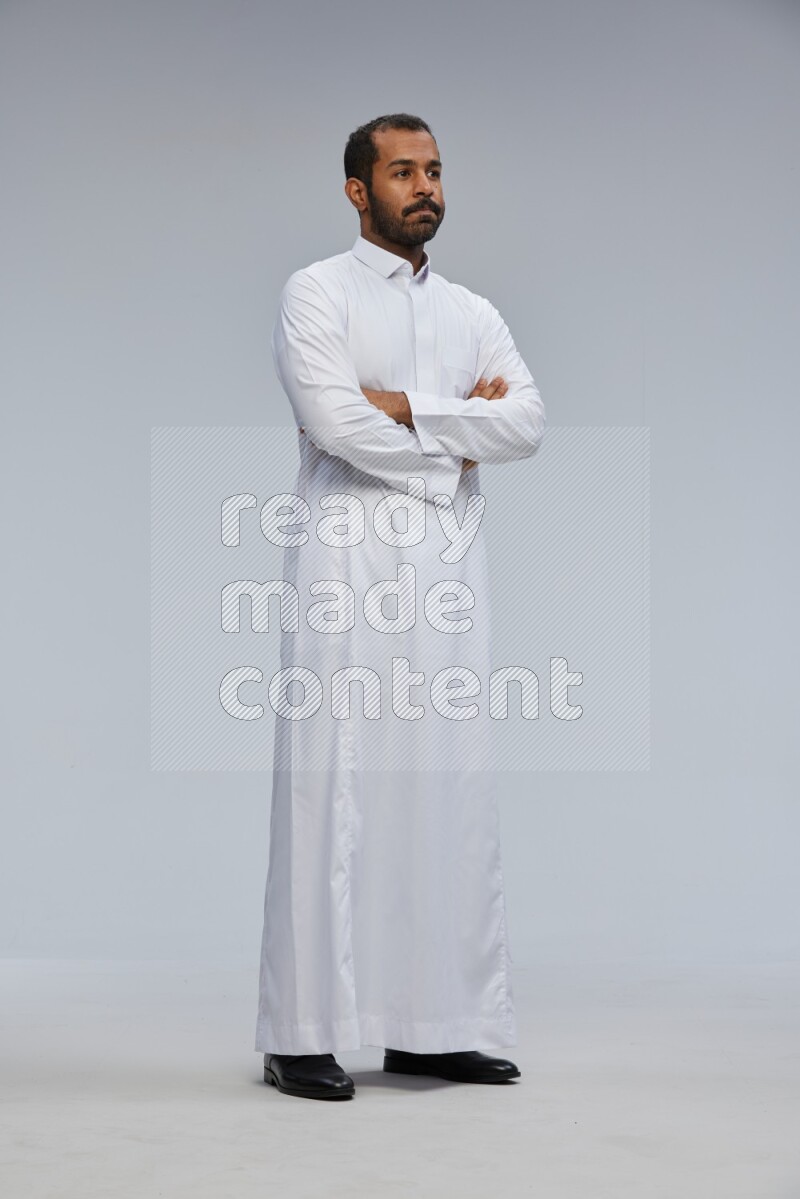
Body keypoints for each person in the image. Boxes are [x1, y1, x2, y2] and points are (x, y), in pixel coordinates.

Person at [255, 113, 545, 1100]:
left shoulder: (470, 308)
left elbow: (528, 421)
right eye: (401, 171)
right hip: (344, 563)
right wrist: (457, 434)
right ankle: (301, 1030)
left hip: (449, 576)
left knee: (443, 788)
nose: (423, 187)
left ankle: (433, 1024)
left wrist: (408, 408)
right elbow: (331, 420)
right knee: (330, 785)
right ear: (355, 189)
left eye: (432, 170)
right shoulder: (316, 292)